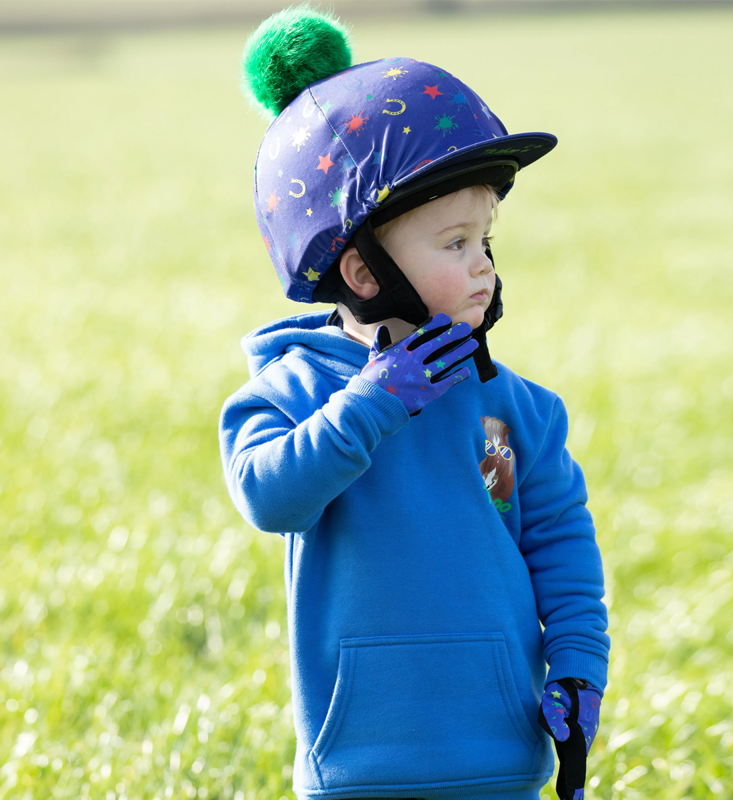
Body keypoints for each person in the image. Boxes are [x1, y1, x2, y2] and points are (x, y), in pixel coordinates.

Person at [219, 7, 610, 800]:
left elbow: (563, 547)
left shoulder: (512, 409)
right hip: (363, 765)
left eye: (487, 242)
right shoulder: (293, 393)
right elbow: (270, 497)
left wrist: (577, 664)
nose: (484, 268)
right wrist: (371, 403)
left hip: (502, 753)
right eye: (456, 243)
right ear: (363, 273)